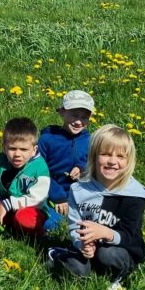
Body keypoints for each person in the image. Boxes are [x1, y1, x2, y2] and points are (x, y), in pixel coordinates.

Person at [48, 125, 145, 289]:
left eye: (120, 156)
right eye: (105, 154)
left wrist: (106, 233)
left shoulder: (135, 194)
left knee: (107, 254)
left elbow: (130, 234)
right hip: (87, 247)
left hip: (122, 249)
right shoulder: (79, 189)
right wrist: (80, 243)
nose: (112, 161)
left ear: (129, 161)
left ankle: (117, 279)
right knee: (78, 269)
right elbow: (75, 225)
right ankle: (59, 256)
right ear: (94, 156)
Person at [0, 117, 50, 240]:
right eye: (12, 149)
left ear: (34, 150)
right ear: (4, 147)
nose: (17, 154)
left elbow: (38, 198)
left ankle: (34, 234)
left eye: (24, 149)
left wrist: (9, 204)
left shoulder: (39, 167)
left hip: (29, 208)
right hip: (0, 204)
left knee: (25, 220)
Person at [39, 90, 94, 221]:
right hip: (51, 191)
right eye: (74, 115)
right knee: (49, 223)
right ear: (62, 112)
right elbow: (39, 172)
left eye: (84, 117)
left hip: (82, 192)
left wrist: (81, 168)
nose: (78, 122)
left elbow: (93, 163)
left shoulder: (90, 140)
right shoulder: (47, 139)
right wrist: (57, 196)